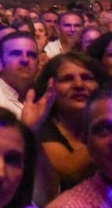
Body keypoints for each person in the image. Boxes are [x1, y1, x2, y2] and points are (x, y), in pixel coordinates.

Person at [32, 52, 107, 196]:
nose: (79, 85)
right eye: (67, 79)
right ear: (50, 88)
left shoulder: (105, 125)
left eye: (87, 78)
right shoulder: (41, 128)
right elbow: (70, 170)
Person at [0, 29, 41, 116]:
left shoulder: (45, 96)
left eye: (31, 55)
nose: (25, 60)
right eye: (16, 54)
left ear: (38, 63)